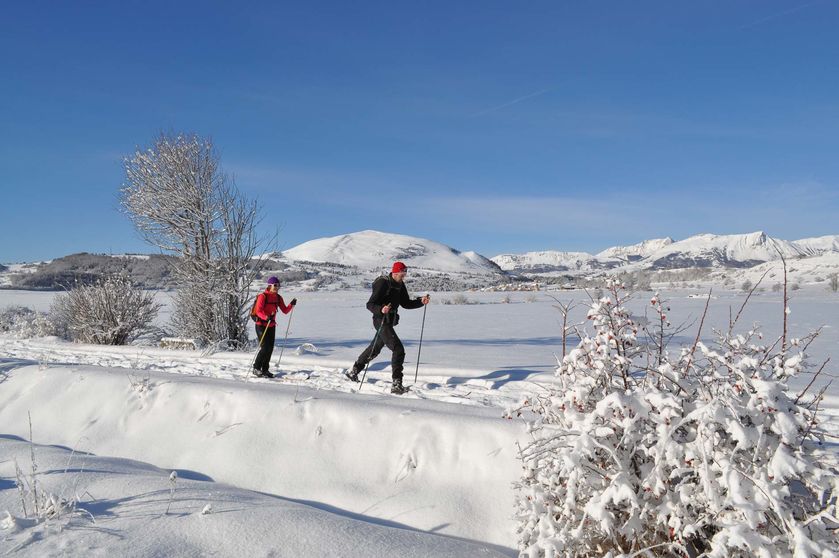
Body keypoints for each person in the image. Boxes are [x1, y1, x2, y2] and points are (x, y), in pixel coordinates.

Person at [347, 261, 430, 394]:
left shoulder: (400, 284)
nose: (404, 277)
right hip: (380, 320)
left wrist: (420, 301)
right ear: (395, 272)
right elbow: (370, 304)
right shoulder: (383, 283)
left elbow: (406, 303)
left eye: (405, 274)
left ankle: (354, 371)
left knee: (374, 348)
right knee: (398, 349)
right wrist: (381, 309)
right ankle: (396, 384)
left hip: (389, 321)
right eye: (402, 274)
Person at [253, 276, 296, 378]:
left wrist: (291, 304)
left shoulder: (278, 297)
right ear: (270, 285)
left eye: (278, 285)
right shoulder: (263, 296)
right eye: (275, 285)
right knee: (265, 347)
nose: (277, 287)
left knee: (270, 348)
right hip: (261, 325)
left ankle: (265, 370)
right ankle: (256, 368)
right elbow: (258, 311)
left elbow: (285, 310)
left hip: (271, 325)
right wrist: (266, 317)